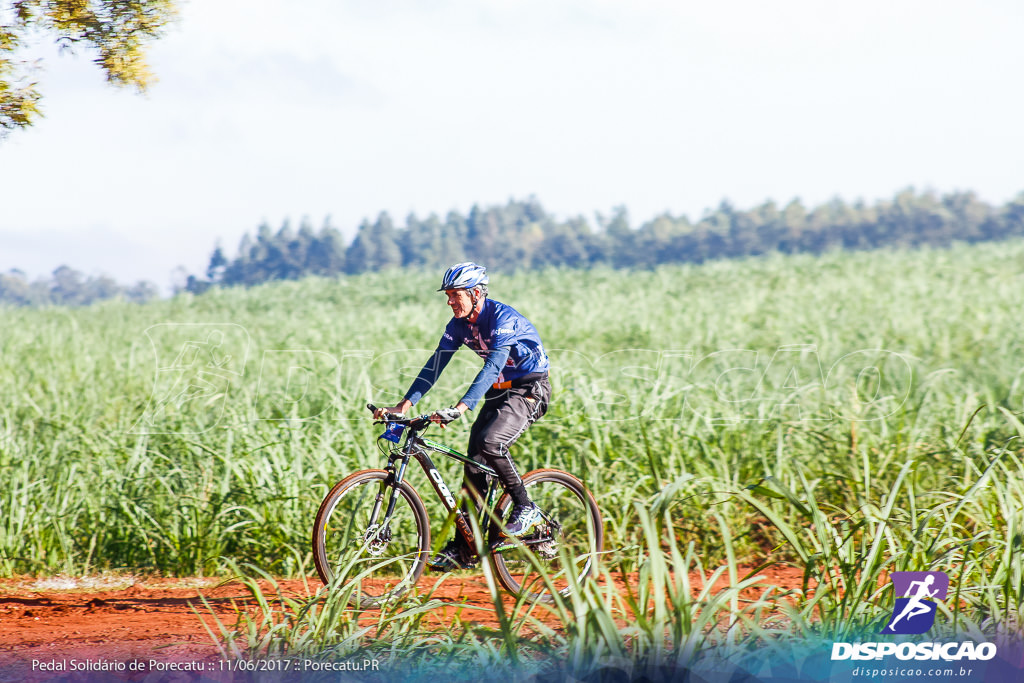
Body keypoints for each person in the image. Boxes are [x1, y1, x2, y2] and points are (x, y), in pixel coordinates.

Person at [374, 262, 552, 572]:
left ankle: (526, 508)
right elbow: (435, 364)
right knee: (474, 464)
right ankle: (465, 548)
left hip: (529, 388)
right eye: (448, 296)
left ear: (475, 293)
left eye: (455, 295)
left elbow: (492, 366)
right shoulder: (457, 325)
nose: (449, 301)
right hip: (499, 391)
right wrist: (404, 405)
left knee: (491, 443)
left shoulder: (502, 319)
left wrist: (461, 407)